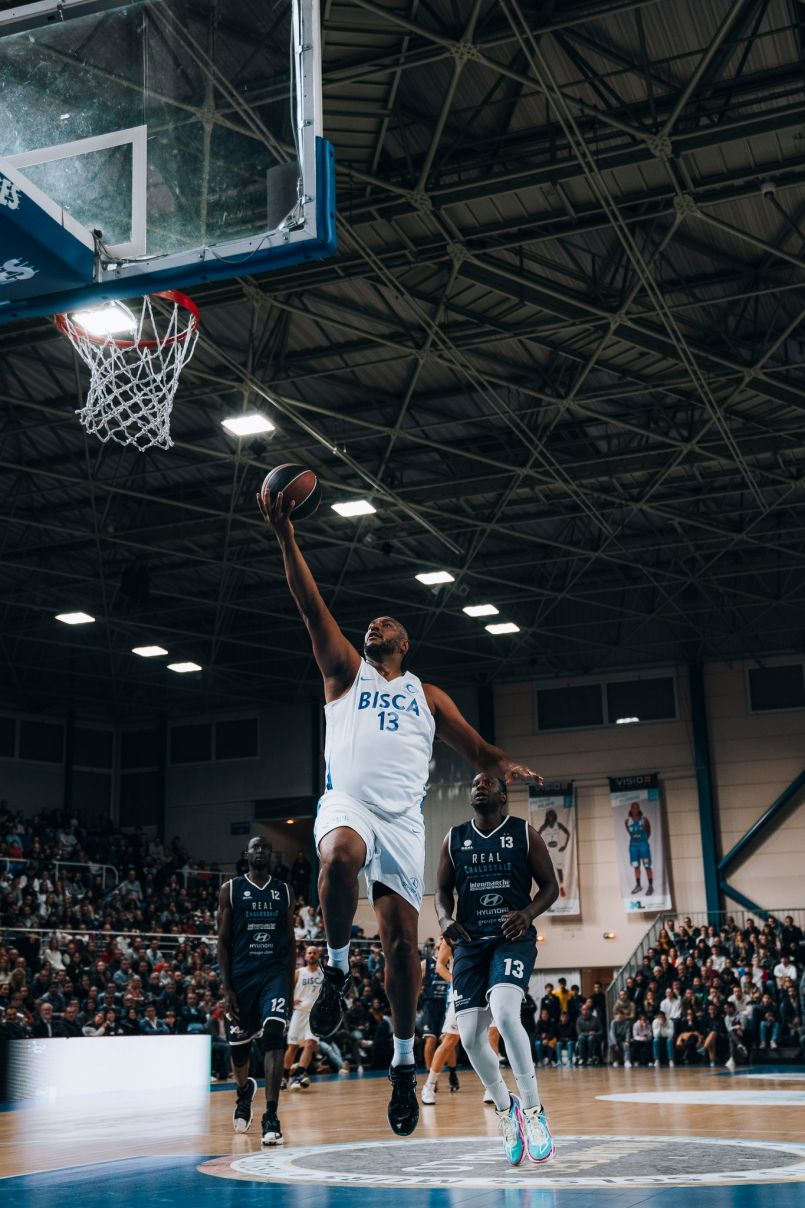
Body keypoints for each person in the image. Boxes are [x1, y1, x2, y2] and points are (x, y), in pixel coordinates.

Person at [258, 488, 540, 1137]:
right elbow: (309, 604)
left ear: (405, 642)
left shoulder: (427, 695)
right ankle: (333, 969)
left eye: (385, 624)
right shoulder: (342, 672)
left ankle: (405, 1067)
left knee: (402, 950)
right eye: (371, 624)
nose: (373, 626)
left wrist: (505, 765)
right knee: (336, 856)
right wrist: (285, 535)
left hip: (403, 820)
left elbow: (476, 748)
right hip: (349, 802)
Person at [435, 772, 558, 1166]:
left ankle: (536, 1113)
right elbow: (440, 891)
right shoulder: (454, 839)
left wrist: (527, 913)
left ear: (504, 795)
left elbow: (551, 887)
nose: (478, 786)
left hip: (511, 937)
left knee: (505, 1014)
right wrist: (443, 920)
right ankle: (509, 1111)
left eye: (487, 783)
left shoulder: (524, 833)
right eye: (474, 783)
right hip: (470, 945)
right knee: (470, 1037)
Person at [217, 836, 295, 1147]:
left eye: (265, 847)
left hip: (273, 974)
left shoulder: (283, 890)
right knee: (239, 1050)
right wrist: (227, 987)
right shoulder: (231, 889)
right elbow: (223, 941)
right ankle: (243, 1092)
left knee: (275, 1034)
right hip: (241, 976)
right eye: (255, 847)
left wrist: (287, 986)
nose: (260, 851)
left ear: (271, 855)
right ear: (246, 854)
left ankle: (271, 1115)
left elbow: (289, 942)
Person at [284, 946, 324, 1091]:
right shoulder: (299, 972)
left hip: (315, 1015)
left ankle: (299, 1076)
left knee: (310, 1044)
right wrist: (290, 1000)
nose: (312, 955)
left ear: (318, 956)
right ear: (305, 956)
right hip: (299, 1012)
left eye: (314, 953)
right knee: (293, 1047)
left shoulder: (323, 974)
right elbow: (286, 989)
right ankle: (284, 1076)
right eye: (309, 953)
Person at [420, 937, 457, 1091]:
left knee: (448, 1039)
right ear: (437, 944)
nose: (443, 940)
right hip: (430, 1004)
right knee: (430, 1040)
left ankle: (452, 1074)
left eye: (445, 938)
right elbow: (417, 982)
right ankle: (431, 1075)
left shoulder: (454, 962)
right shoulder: (426, 963)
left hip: (447, 1003)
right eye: (441, 938)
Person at [537, 809, 571, 898]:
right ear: (547, 816)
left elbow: (568, 833)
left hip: (557, 849)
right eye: (549, 815)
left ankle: (562, 887)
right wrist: (543, 848)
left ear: (555, 816)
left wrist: (565, 846)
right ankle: (550, 889)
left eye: (552, 815)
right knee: (549, 871)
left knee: (559, 869)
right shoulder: (544, 826)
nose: (551, 816)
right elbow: (537, 836)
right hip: (549, 850)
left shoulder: (558, 825)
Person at [625, 802, 653, 896]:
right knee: (636, 866)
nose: (635, 810)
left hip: (643, 846)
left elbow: (649, 831)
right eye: (633, 808)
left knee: (647, 865)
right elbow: (630, 833)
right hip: (633, 847)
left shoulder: (644, 819)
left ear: (639, 809)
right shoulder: (627, 821)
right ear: (631, 809)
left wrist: (643, 840)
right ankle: (638, 885)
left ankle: (650, 886)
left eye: (636, 808)